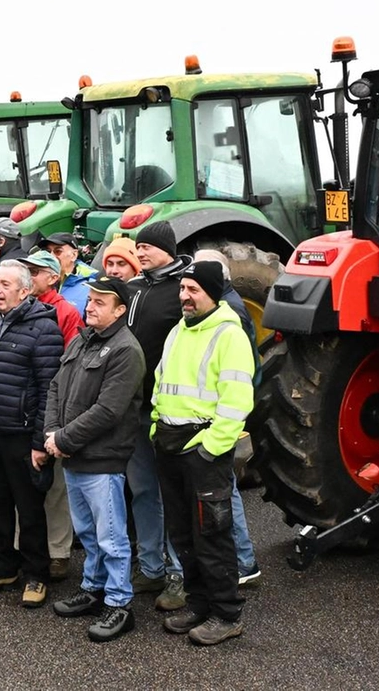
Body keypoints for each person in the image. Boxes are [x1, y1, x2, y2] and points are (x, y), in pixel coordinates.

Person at [151, 261, 255, 646]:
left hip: (203, 452)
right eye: (182, 289)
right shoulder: (178, 331)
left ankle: (226, 614)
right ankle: (199, 604)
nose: (184, 296)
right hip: (169, 445)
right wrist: (155, 426)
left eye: (193, 290)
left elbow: (237, 400)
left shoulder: (229, 335)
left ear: (212, 292)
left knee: (212, 535)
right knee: (182, 534)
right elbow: (162, 382)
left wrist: (211, 449)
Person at [42, 276, 146, 642]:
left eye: (101, 302)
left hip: (102, 460)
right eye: (91, 299)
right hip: (72, 455)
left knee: (111, 537)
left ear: (120, 310)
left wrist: (64, 439)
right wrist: (52, 433)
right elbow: (56, 386)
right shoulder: (83, 340)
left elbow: (109, 410)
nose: (91, 306)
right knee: (87, 533)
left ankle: (119, 604)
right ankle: (94, 587)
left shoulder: (125, 350)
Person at [0, 260, 64, 608]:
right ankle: (3, 567)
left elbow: (49, 389)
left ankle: (37, 575)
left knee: (30, 508)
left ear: (25, 291)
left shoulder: (43, 329)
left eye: (6, 284)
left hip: (23, 436)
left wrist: (40, 442)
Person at [123, 220, 192, 612]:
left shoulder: (182, 291)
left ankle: (179, 572)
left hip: (166, 410)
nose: (141, 252)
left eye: (147, 246)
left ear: (167, 248)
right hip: (132, 408)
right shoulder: (134, 288)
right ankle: (150, 567)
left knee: (173, 496)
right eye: (138, 247)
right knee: (143, 491)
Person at [191, 249, 262, 585]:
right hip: (213, 417)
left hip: (218, 418)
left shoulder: (230, 312)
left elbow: (240, 374)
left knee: (225, 490)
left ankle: (244, 563)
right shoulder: (222, 307)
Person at [17, 250, 82, 581]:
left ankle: (58, 552)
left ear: (52, 277)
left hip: (54, 406)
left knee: (55, 485)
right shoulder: (19, 309)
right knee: (22, 483)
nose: (29, 277)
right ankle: (22, 546)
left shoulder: (66, 312)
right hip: (21, 408)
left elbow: (70, 363)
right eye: (26, 271)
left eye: (35, 272)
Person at [19, 250, 84, 347]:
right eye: (24, 271)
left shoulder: (67, 313)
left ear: (53, 278)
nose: (26, 277)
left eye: (33, 272)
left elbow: (72, 354)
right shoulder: (15, 303)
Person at [38, 232, 95, 312]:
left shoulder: (90, 287)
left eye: (58, 251)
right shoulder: (37, 281)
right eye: (48, 252)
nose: (51, 256)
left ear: (74, 255)